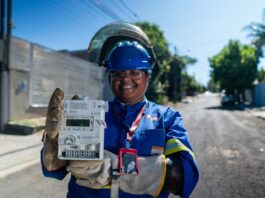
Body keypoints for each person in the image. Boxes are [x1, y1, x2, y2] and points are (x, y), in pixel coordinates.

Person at [41, 22, 199, 198]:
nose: (126, 80)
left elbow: (183, 177)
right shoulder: (92, 113)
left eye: (135, 72)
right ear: (110, 78)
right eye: (118, 73)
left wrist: (116, 170)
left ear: (147, 76)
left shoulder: (167, 118)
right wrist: (54, 144)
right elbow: (55, 168)